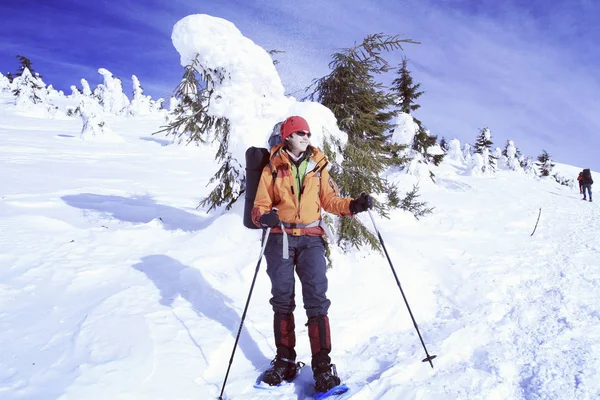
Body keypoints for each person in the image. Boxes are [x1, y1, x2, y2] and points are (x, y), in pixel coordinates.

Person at [252, 116, 373, 392]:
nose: (307, 136)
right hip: (279, 240)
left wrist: (353, 205)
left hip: (311, 241)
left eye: (308, 132)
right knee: (282, 300)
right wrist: (265, 218)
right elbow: (259, 207)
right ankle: (285, 360)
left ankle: (322, 365)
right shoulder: (272, 167)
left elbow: (330, 200)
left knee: (317, 300)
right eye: (300, 132)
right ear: (287, 137)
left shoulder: (317, 167)